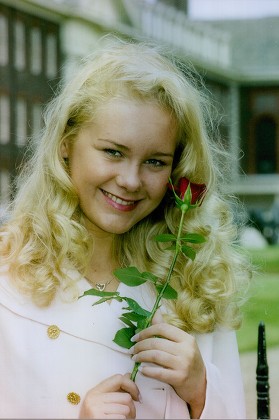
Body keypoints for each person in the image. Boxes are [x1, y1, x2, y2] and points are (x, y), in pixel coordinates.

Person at [0, 36, 251, 419]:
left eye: (155, 161)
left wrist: (202, 390)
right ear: (67, 144)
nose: (131, 181)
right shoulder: (9, 274)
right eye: (113, 152)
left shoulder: (194, 283)